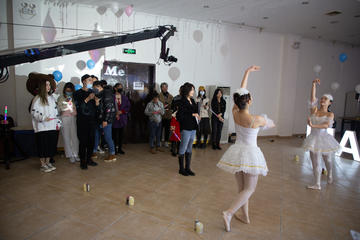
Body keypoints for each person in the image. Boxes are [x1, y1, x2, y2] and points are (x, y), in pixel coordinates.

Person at [217, 66, 275, 232]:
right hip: (250, 153)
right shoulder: (256, 119)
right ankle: (229, 213)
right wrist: (268, 122)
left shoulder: (235, 112)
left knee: (243, 189)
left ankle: (245, 216)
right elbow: (272, 124)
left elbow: (241, 92)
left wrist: (247, 73)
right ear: (249, 101)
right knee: (250, 189)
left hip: (237, 152)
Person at [303, 78, 341, 190]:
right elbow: (312, 99)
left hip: (324, 139)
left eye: (326, 99)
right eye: (322, 98)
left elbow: (326, 125)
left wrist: (312, 125)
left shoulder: (330, 114)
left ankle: (330, 174)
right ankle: (317, 184)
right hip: (313, 139)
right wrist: (313, 85)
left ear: (330, 102)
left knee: (327, 159)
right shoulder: (314, 110)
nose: (323, 100)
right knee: (315, 162)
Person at [31, 79, 61, 173]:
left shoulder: (52, 98)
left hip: (52, 127)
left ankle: (48, 162)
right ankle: (42, 164)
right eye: (46, 85)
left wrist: (58, 123)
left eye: (49, 85)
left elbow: (56, 112)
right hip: (42, 127)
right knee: (42, 146)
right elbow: (33, 112)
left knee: (50, 146)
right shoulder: (37, 98)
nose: (49, 87)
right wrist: (43, 117)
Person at [73, 74, 98, 169]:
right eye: (89, 80)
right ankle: (83, 162)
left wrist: (96, 102)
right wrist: (87, 99)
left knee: (91, 141)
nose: (91, 82)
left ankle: (89, 159)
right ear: (84, 81)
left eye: (91, 81)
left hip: (92, 121)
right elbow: (78, 107)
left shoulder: (93, 92)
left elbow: (96, 108)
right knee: (83, 142)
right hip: (82, 121)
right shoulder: (77, 93)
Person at [176, 83, 199, 176]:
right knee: (183, 147)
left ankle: (187, 168)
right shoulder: (181, 101)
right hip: (186, 127)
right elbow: (180, 116)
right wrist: (192, 115)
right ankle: (181, 169)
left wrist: (197, 115)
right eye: (192, 90)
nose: (193, 91)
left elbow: (195, 111)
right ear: (187, 90)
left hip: (193, 126)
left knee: (190, 147)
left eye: (194, 90)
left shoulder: (192, 100)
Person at [92, 81, 117, 162]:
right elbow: (99, 108)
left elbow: (109, 109)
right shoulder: (98, 95)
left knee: (107, 137)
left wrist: (105, 120)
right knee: (96, 135)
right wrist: (96, 103)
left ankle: (112, 154)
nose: (94, 90)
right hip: (99, 119)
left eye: (95, 88)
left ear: (99, 87)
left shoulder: (106, 94)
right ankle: (94, 151)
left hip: (106, 120)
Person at [57, 82, 79, 163]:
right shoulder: (61, 98)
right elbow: (59, 108)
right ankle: (70, 155)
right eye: (67, 90)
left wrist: (73, 109)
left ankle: (75, 154)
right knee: (66, 137)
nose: (68, 92)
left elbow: (76, 107)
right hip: (64, 118)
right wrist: (65, 108)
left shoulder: (74, 97)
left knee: (74, 137)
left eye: (70, 90)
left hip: (73, 118)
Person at [113, 84, 131, 155]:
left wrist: (122, 111)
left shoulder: (125, 98)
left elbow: (128, 107)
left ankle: (120, 148)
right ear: (115, 88)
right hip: (114, 119)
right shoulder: (112, 97)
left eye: (121, 87)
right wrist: (115, 113)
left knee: (121, 135)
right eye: (119, 87)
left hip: (122, 119)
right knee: (114, 135)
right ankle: (114, 149)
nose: (120, 88)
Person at [159, 82, 173, 148]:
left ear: (167, 88)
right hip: (161, 115)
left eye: (165, 87)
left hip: (168, 115)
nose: (164, 88)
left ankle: (166, 141)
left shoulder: (171, 96)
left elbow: (173, 105)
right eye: (163, 87)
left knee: (167, 129)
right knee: (160, 129)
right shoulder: (158, 96)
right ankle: (159, 141)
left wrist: (169, 106)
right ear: (161, 88)